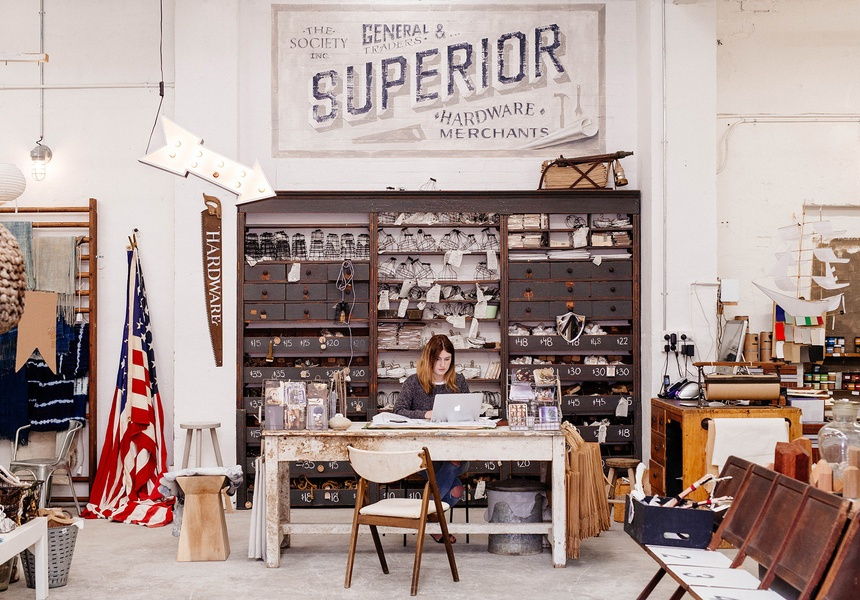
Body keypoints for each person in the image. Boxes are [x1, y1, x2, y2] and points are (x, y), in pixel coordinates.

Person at [393, 334, 468, 543]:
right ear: (429, 359)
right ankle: (433, 522)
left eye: (447, 359)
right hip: (422, 454)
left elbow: (469, 413)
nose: (442, 365)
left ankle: (423, 520)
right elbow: (398, 411)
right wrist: (425, 414)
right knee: (456, 489)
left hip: (454, 449)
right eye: (438, 359)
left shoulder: (459, 381)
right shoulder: (413, 382)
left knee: (455, 459)